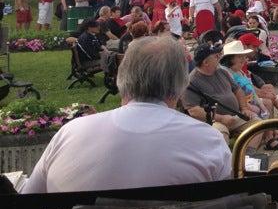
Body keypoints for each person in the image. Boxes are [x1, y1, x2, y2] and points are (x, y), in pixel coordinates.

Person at [23, 36, 231, 193]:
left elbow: (27, 201)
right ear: (180, 86)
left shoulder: (70, 133)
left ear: (121, 78)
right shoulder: (208, 140)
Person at [182, 42, 255, 139]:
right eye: (216, 56)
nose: (219, 58)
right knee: (221, 134)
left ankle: (247, 153)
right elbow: (193, 111)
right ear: (206, 62)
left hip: (234, 116)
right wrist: (221, 118)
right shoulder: (191, 82)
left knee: (257, 125)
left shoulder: (221, 72)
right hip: (211, 121)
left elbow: (238, 90)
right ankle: (227, 153)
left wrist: (244, 108)